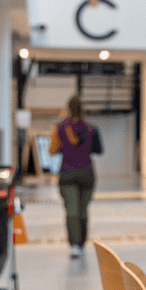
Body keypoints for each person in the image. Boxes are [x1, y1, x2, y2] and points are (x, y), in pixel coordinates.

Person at [49, 94, 102, 258]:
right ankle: (82, 243)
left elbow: (52, 150)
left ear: (68, 109)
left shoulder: (59, 128)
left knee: (72, 209)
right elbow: (99, 150)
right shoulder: (92, 128)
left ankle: (74, 246)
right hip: (87, 173)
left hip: (67, 173)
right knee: (83, 209)